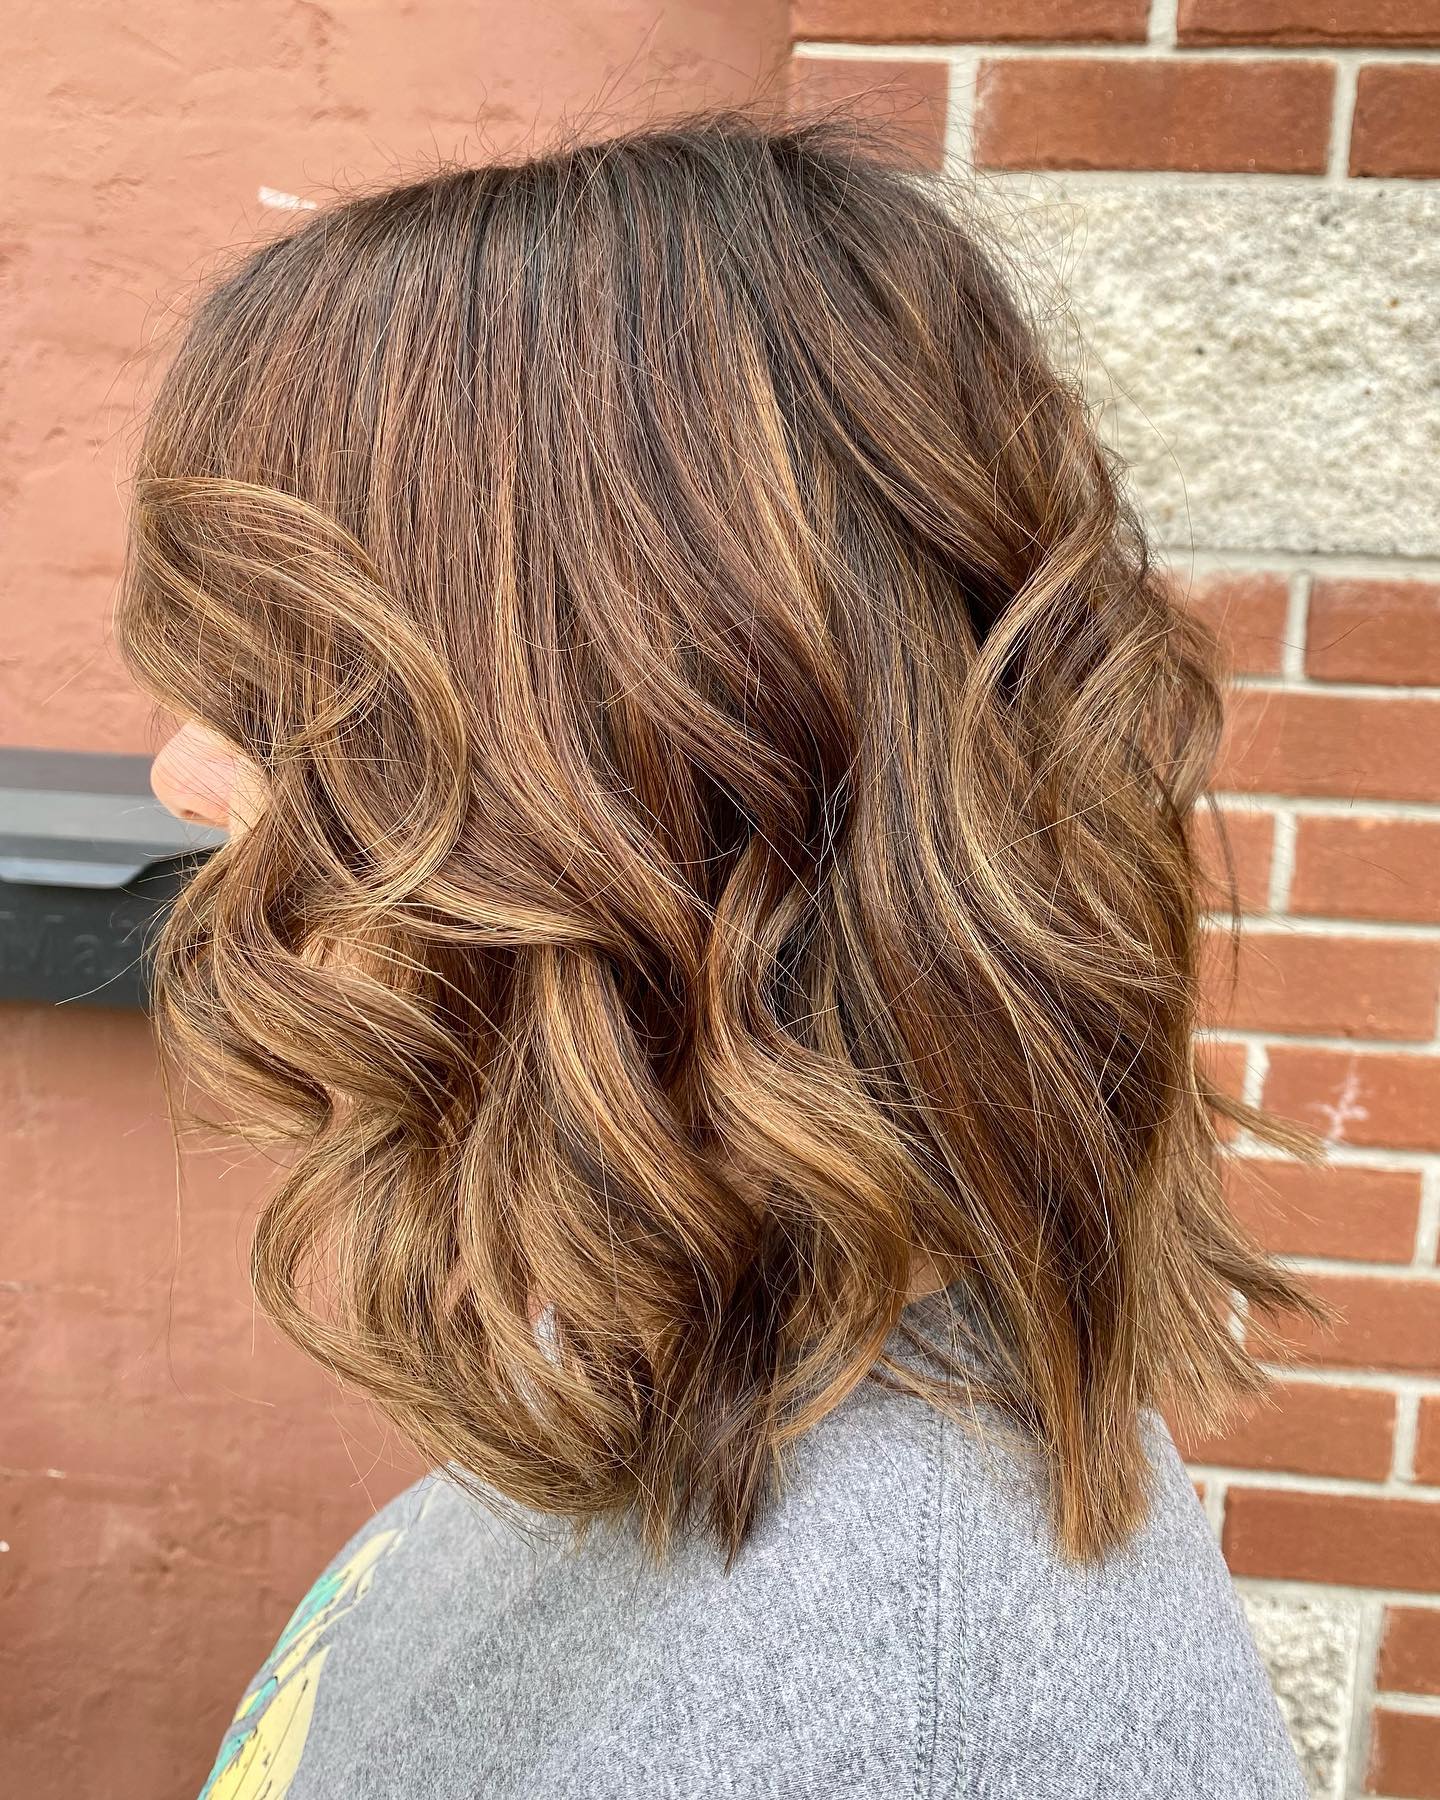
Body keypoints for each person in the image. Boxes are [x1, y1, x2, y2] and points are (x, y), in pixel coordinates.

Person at [119, 105, 1317, 1800]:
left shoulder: (864, 1696)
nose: (182, 771)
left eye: (274, 686)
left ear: (618, 758)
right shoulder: (705, 1335)